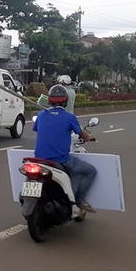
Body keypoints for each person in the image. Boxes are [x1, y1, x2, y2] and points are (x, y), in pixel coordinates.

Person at [33, 84, 98, 213]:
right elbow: (82, 134)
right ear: (66, 100)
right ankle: (79, 199)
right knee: (91, 171)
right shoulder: (69, 117)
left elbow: (36, 129)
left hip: (39, 159)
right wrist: (90, 137)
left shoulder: (41, 115)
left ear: (49, 99)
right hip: (61, 160)